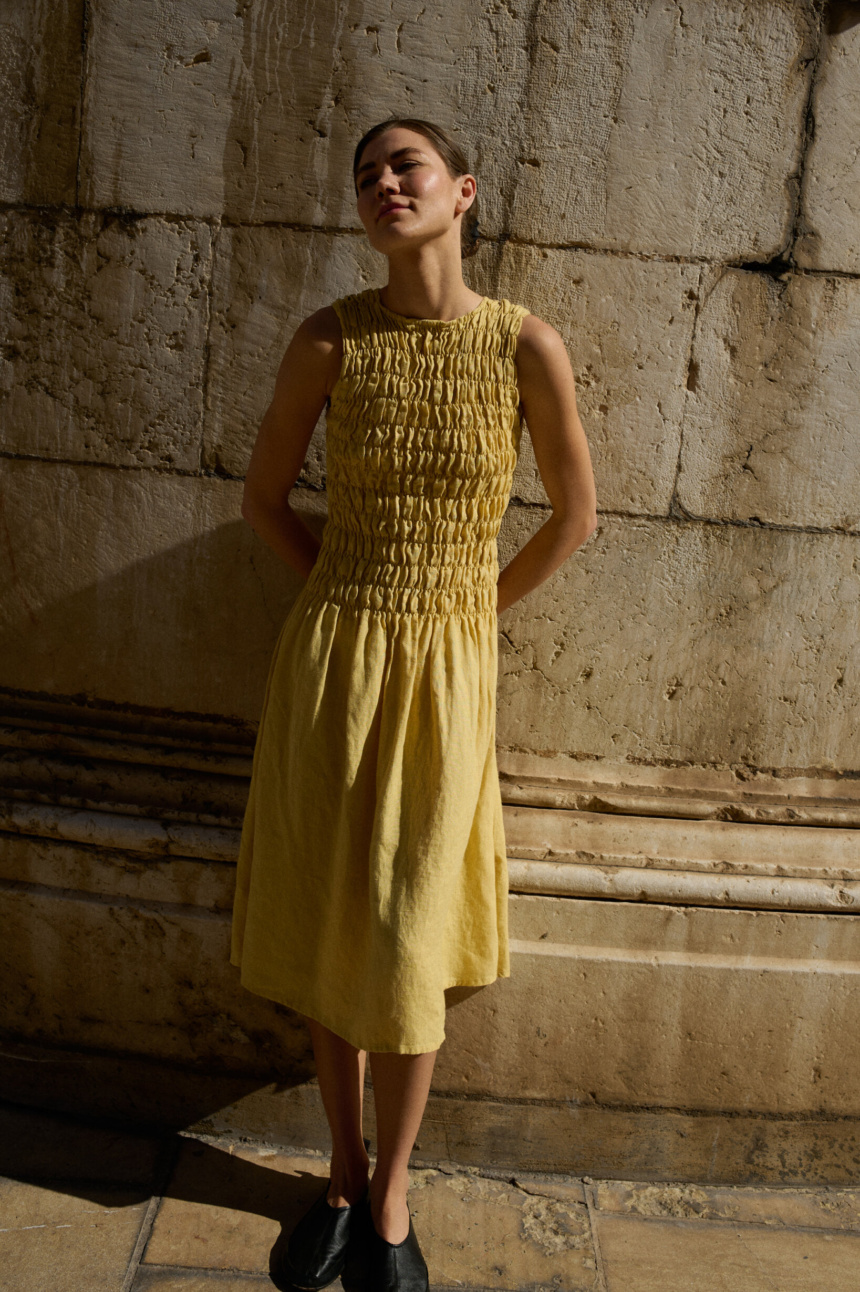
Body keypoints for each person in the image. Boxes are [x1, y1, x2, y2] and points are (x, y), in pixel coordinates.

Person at [230, 116, 597, 1291]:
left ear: (461, 193)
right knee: (337, 914)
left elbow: (573, 515)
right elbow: (264, 500)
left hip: (446, 668)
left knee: (408, 926)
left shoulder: (523, 344)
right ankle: (340, 1172)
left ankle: (393, 1192)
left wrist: (468, 610)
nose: (383, 185)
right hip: (333, 660)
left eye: (406, 168)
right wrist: (345, 591)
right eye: (366, 176)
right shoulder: (327, 340)